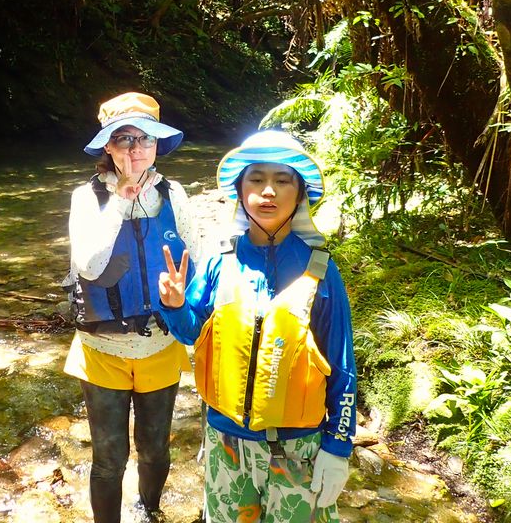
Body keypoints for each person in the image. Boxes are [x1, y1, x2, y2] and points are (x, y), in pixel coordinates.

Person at [158, 129, 356, 523]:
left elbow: (342, 364)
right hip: (226, 442)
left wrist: (338, 447)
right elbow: (192, 334)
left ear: (299, 194)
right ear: (240, 191)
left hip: (299, 448)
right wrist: (175, 306)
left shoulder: (321, 270)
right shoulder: (220, 261)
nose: (269, 192)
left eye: (282, 181)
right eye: (257, 179)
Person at [63, 92, 198, 522]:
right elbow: (89, 264)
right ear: (108, 146)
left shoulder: (175, 195)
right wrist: (122, 199)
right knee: (108, 458)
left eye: (145, 138)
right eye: (124, 139)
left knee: (156, 447)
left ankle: (151, 511)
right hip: (103, 351)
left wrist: (189, 307)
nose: (136, 149)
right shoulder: (87, 199)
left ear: (157, 144)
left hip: (161, 343)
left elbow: (199, 259)